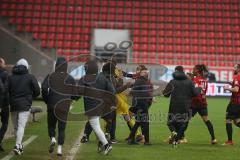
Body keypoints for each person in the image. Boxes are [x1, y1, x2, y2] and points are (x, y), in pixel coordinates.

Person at [42, 57, 78, 156]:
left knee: (51, 126)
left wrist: (47, 100)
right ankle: (59, 149)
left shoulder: (50, 76)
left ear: (56, 65)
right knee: (62, 129)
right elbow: (75, 94)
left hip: (52, 104)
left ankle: (53, 139)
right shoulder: (70, 78)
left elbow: (44, 88)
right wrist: (71, 98)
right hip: (64, 106)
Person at [78, 60, 115, 155]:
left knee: (96, 127)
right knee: (96, 126)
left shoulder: (84, 79)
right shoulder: (102, 78)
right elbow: (112, 91)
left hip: (91, 106)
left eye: (86, 67)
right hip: (103, 106)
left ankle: (106, 145)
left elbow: (79, 92)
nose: (85, 68)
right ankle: (101, 144)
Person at [8, 58, 40, 155]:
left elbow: (6, 91)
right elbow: (37, 91)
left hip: (13, 105)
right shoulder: (30, 77)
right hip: (25, 105)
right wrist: (30, 97)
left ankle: (19, 145)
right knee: (21, 126)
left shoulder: (10, 77)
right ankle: (18, 145)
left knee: (16, 127)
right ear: (26, 67)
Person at [163, 66, 201, 148]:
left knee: (170, 123)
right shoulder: (189, 82)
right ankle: (176, 140)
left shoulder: (172, 81)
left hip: (174, 105)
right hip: (185, 106)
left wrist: (164, 90)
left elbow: (165, 94)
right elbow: (195, 93)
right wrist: (198, 89)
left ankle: (173, 132)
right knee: (183, 124)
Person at [191, 64, 217, 144]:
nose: (193, 70)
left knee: (183, 120)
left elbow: (195, 92)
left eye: (194, 69)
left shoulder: (196, 80)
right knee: (206, 120)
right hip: (203, 103)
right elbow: (203, 92)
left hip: (195, 103)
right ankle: (213, 139)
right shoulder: (205, 80)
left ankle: (179, 138)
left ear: (197, 71)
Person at [128, 65, 153, 145]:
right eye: (144, 72)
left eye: (146, 72)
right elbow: (134, 92)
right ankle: (147, 141)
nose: (146, 73)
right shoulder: (141, 81)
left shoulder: (142, 81)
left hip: (140, 104)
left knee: (138, 122)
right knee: (145, 123)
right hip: (141, 105)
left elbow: (133, 92)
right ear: (141, 73)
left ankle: (131, 139)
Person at [222, 64, 240, 146]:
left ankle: (230, 141)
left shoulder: (237, 77)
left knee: (228, 120)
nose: (234, 68)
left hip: (235, 103)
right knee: (236, 121)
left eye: (235, 67)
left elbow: (236, 90)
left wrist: (227, 88)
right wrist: (231, 83)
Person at [0, 58, 9, 152]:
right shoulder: (5, 74)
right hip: (4, 104)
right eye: (4, 62)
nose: (5, 64)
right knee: (5, 124)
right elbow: (5, 89)